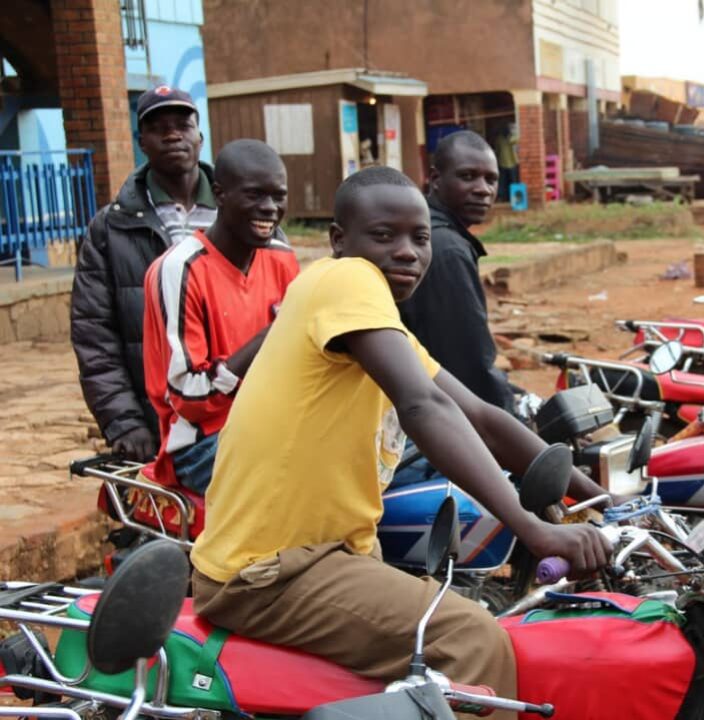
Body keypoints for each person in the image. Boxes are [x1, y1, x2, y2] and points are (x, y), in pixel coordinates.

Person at [189, 166, 613, 720]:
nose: (408, 252)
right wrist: (531, 528)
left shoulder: (379, 327)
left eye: (420, 237)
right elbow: (424, 405)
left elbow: (483, 417)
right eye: (384, 235)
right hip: (268, 573)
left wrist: (598, 499)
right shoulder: (344, 281)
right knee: (472, 639)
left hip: (325, 558)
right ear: (340, 240)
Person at [142, 140, 299, 494]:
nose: (269, 208)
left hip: (275, 426)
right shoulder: (180, 269)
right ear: (220, 195)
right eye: (255, 195)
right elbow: (188, 397)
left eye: (278, 196)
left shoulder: (281, 258)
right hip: (203, 444)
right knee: (309, 478)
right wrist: (268, 336)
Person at [71, 86, 216, 463]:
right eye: (158, 128)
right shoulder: (111, 227)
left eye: (182, 125)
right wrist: (124, 422)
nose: (172, 135)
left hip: (234, 415)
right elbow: (94, 334)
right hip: (154, 422)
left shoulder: (240, 212)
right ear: (142, 143)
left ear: (199, 137)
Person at [399, 130, 513, 412]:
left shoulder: (424, 230)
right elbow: (469, 363)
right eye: (468, 176)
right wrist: (512, 421)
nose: (483, 189)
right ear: (436, 179)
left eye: (491, 179)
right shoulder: (447, 250)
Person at [494, 123, 519, 202]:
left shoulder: (512, 137)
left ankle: (514, 199)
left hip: (511, 162)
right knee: (503, 182)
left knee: (512, 182)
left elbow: (514, 140)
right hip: (504, 163)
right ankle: (503, 198)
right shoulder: (500, 138)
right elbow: (497, 150)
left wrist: (510, 135)